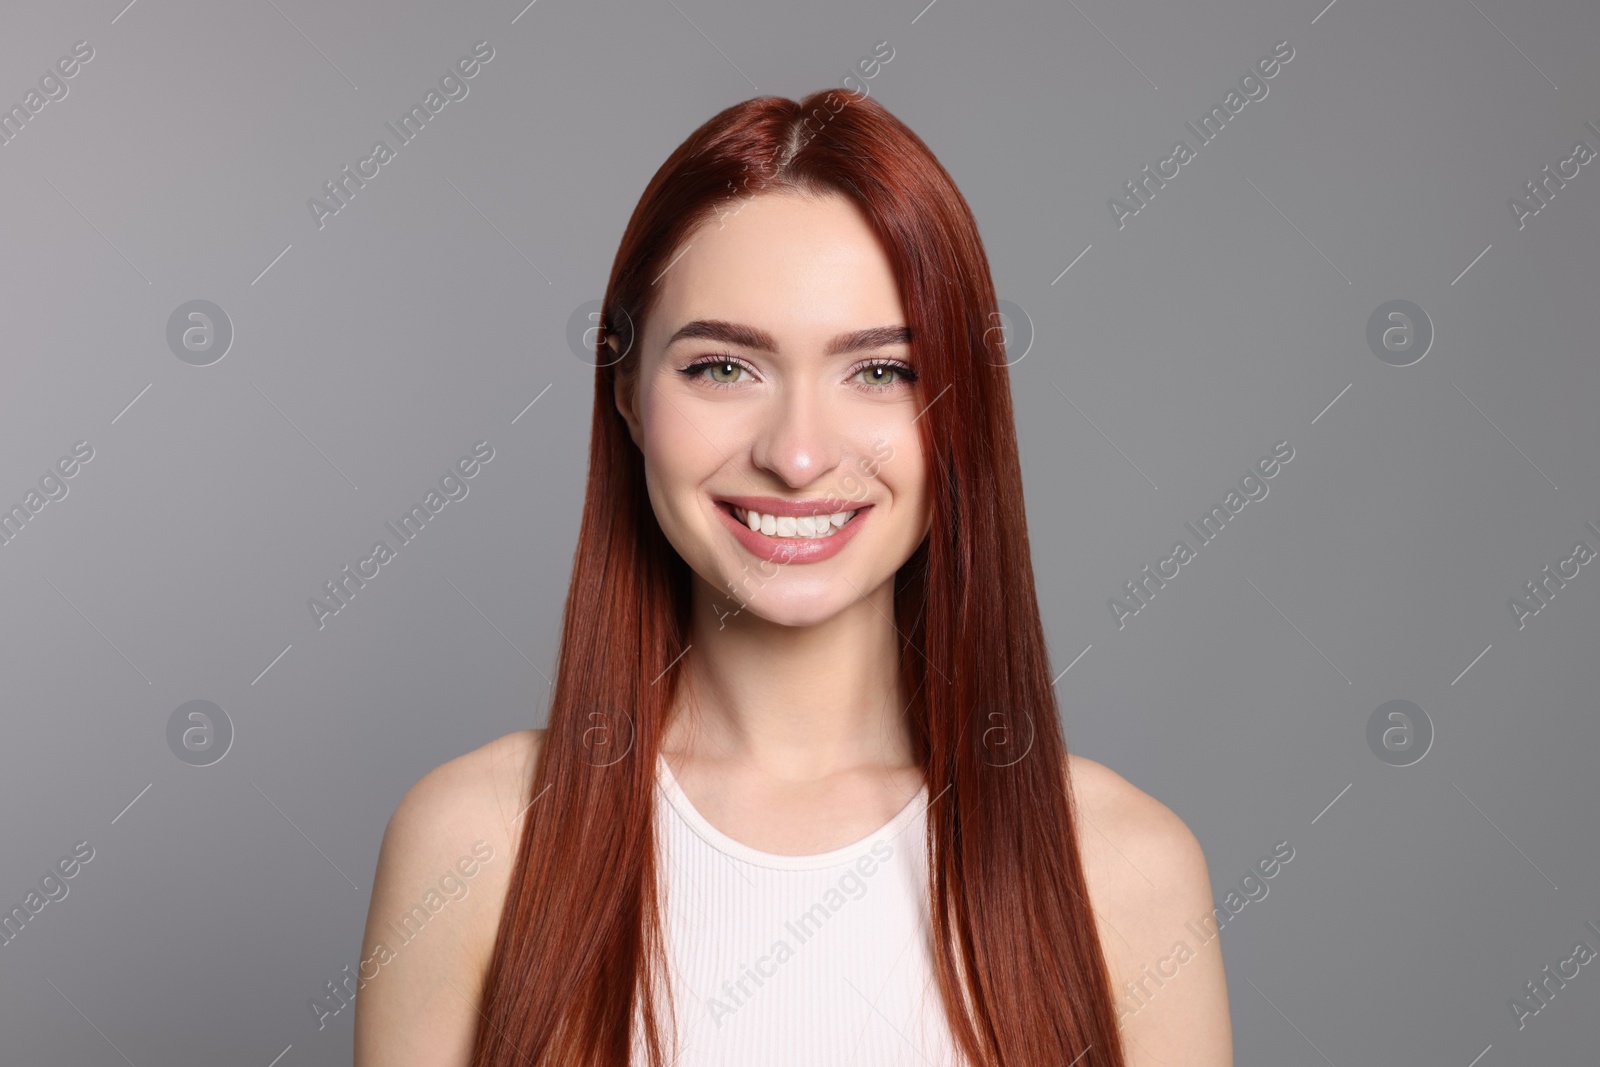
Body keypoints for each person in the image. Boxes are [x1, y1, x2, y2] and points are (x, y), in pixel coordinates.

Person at [354, 89, 1232, 1067]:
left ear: (962, 410)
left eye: (882, 372)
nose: (800, 454)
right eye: (724, 368)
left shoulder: (1125, 870)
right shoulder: (473, 845)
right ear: (627, 397)